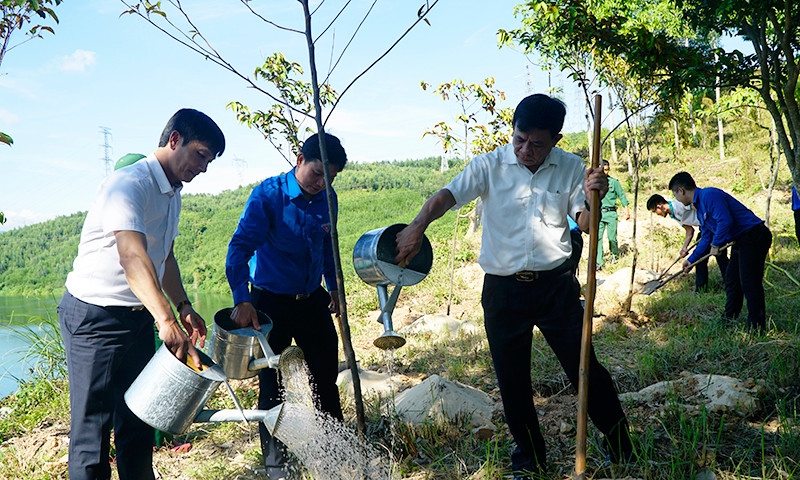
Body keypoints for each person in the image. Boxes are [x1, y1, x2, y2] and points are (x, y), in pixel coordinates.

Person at [395, 94, 633, 479]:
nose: (525, 149)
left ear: (555, 139)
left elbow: (585, 223)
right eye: (520, 138)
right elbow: (446, 196)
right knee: (512, 379)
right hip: (503, 292)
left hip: (555, 287)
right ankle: (531, 457)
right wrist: (417, 226)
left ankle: (623, 444)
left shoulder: (573, 168)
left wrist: (596, 193)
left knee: (584, 367)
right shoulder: (491, 165)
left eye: (537, 143)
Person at [58, 108, 225, 480]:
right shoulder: (128, 184)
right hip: (95, 317)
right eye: (200, 154)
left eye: (209, 161)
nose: (203, 167)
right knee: (92, 431)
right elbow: (132, 256)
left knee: (138, 418)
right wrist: (164, 318)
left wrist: (181, 305)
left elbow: (163, 256)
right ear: (174, 139)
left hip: (137, 316)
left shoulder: (173, 193)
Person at [225, 133, 346, 480]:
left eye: (330, 178)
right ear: (299, 160)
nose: (321, 184)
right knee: (271, 387)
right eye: (317, 173)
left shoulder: (328, 198)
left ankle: (334, 453)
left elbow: (326, 248)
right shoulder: (269, 195)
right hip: (270, 304)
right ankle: (277, 466)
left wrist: (334, 288)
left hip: (312, 300)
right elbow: (240, 247)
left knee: (325, 379)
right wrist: (242, 300)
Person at [669, 172, 773, 331]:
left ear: (681, 190)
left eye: (674, 193)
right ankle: (729, 318)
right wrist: (691, 260)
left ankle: (757, 328)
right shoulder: (699, 207)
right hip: (741, 240)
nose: (675, 198)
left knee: (749, 282)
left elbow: (725, 220)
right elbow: (706, 236)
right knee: (732, 279)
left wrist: (716, 245)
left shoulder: (709, 195)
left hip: (754, 235)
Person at [647, 193, 729, 292]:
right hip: (704, 229)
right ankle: (701, 290)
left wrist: (710, 222)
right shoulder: (673, 215)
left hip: (711, 226)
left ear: (659, 207)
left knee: (721, 257)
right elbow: (689, 230)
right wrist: (684, 248)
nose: (657, 214)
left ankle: (731, 285)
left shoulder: (678, 204)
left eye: (655, 211)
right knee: (699, 260)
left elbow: (698, 206)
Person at [596, 160, 629, 269]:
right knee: (598, 238)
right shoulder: (595, 182)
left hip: (611, 213)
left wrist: (626, 210)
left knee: (612, 238)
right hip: (599, 213)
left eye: (607, 170)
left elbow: (622, 195)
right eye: (603, 170)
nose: (605, 172)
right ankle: (599, 262)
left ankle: (614, 257)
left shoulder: (614, 182)